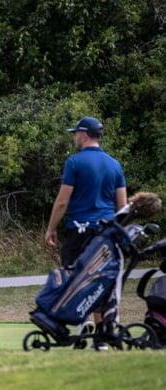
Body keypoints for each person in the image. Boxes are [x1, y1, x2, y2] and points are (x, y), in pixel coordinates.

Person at [44, 116, 127, 346]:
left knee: (75, 278)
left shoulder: (75, 162)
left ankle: (83, 324)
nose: (74, 138)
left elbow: (62, 201)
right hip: (107, 232)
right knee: (100, 280)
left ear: (84, 135)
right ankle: (101, 338)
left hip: (79, 231)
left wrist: (50, 229)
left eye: (75, 134)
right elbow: (123, 206)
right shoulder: (114, 164)